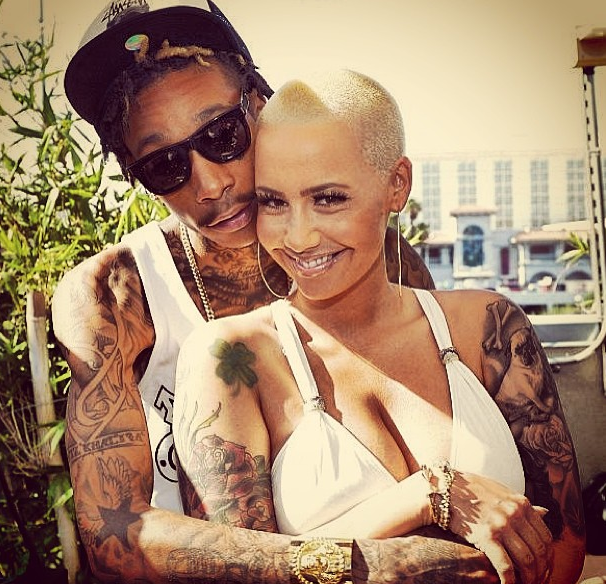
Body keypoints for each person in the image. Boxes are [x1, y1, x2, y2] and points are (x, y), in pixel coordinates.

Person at [49, 1, 510, 583]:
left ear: (259, 104)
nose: (210, 183)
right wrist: (359, 564)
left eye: (222, 135)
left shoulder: (376, 257)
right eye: (165, 166)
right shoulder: (115, 296)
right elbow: (115, 537)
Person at [173, 69, 586, 584]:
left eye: (328, 198)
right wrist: (430, 494)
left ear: (397, 185)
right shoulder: (232, 361)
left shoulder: (487, 327)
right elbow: (240, 574)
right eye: (273, 201)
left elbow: (566, 543)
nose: (299, 237)